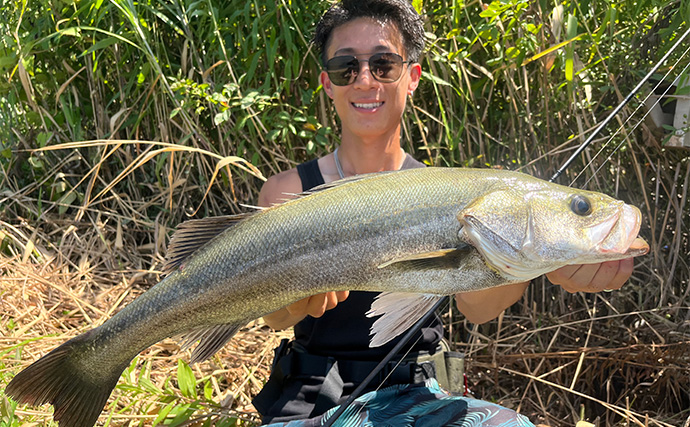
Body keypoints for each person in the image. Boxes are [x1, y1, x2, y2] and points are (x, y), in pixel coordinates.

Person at [251, 0, 635, 425]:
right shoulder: (287, 193)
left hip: (420, 395)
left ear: (412, 76)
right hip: (309, 395)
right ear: (328, 83)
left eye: (383, 64)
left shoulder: (449, 189)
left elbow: (479, 308)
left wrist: (543, 261)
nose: (364, 80)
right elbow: (272, 317)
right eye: (346, 67)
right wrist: (288, 306)